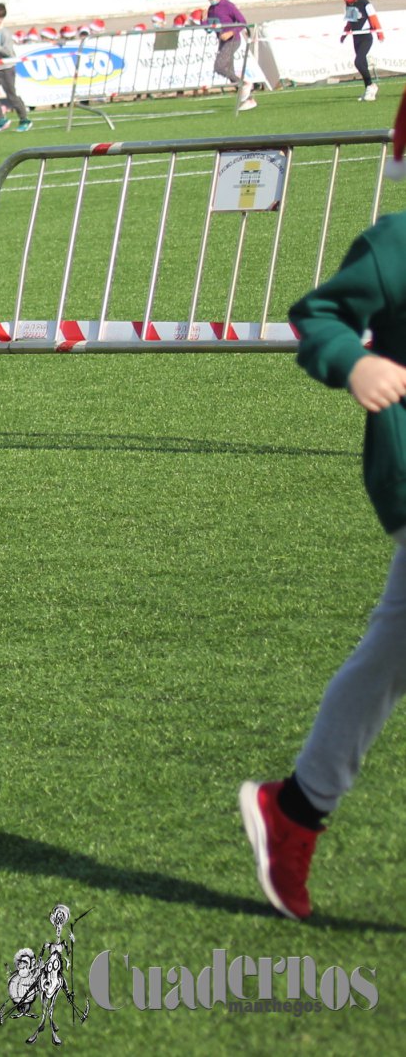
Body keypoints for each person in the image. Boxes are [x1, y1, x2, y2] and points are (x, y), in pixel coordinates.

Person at [242, 90, 406, 919]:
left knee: (389, 655)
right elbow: (319, 314)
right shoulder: (400, 243)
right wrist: (352, 363)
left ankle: (295, 811)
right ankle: (295, 811)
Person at [205, 0, 258, 112]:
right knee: (230, 73)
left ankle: (245, 83)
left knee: (219, 66)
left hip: (232, 40)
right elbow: (210, 27)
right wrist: (202, 20)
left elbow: (242, 22)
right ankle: (249, 99)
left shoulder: (228, 6)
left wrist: (230, 32)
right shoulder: (211, 9)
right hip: (222, 41)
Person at [0, 3, 34, 133]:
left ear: (0, 18)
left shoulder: (5, 33)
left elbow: (9, 53)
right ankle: (1, 119)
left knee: (11, 96)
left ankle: (24, 119)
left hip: (7, 68)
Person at [341, 0, 384, 102]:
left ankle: (371, 85)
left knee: (358, 62)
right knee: (363, 64)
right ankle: (368, 92)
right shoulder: (349, 5)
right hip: (356, 38)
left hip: (366, 37)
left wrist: (379, 33)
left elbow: (373, 18)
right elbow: (351, 20)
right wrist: (345, 33)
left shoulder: (364, 3)